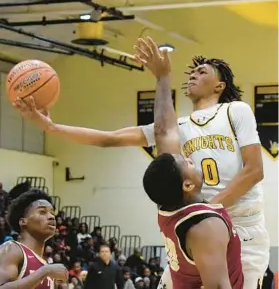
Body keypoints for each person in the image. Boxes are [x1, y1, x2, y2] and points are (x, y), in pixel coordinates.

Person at [13, 36, 269, 289]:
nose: (192, 75)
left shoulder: (235, 110)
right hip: (191, 230)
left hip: (240, 226)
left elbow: (254, 171)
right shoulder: (174, 126)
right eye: (191, 72)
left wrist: (207, 213)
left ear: (219, 85)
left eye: (202, 72)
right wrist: (51, 127)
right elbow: (110, 139)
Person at [142, 55, 243, 288]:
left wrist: (162, 78)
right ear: (186, 185)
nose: (189, 158)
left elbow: (164, 132)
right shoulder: (204, 224)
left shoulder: (169, 208)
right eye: (186, 163)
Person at [0, 189, 68, 289]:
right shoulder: (12, 249)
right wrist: (44, 271)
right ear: (23, 221)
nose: (51, 217)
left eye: (52, 213)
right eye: (42, 212)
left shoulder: (45, 264)